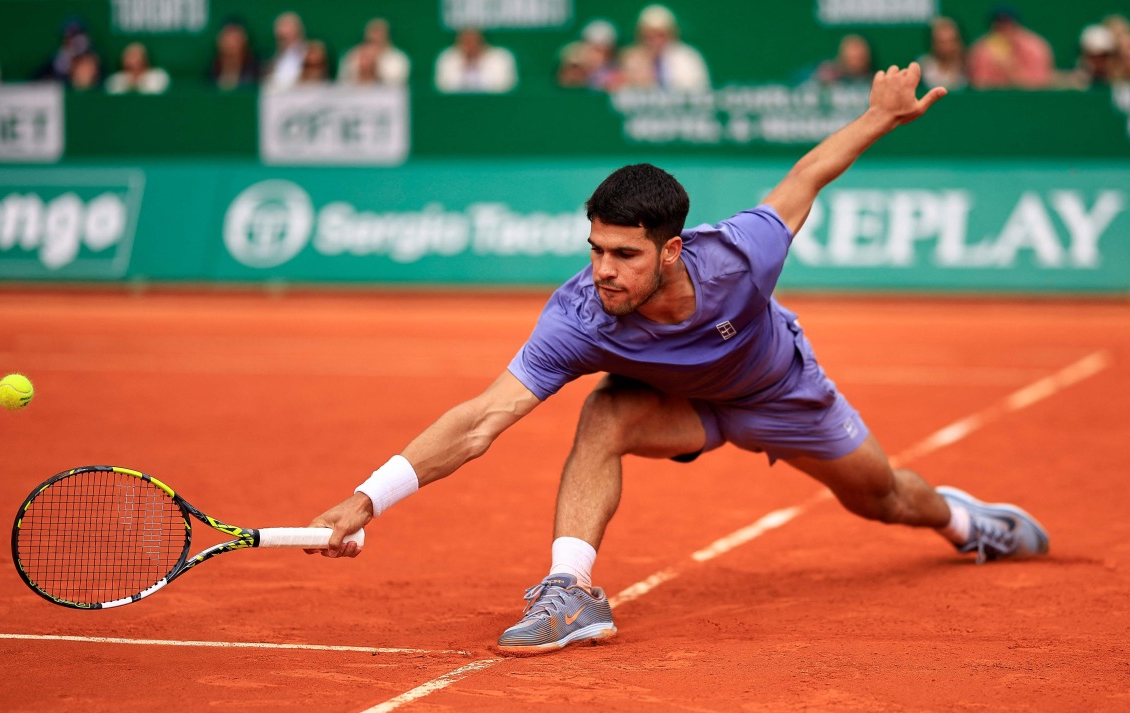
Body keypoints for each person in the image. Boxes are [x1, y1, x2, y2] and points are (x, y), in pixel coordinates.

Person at [305, 62, 1051, 654]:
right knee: (604, 413)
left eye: (624, 255)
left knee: (884, 499)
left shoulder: (739, 256)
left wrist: (881, 115)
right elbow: (482, 418)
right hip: (684, 409)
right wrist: (368, 498)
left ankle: (963, 522)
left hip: (781, 391)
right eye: (594, 249)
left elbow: (807, 175)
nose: (604, 270)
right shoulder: (580, 315)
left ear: (670, 250)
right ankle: (570, 590)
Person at [619, 4, 709, 91]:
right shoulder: (628, 59)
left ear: (672, 33)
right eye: (649, 35)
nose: (655, 40)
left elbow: (699, 92)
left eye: (661, 35)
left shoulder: (688, 57)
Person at [967, 5, 1055, 89]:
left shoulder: (1035, 47)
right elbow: (980, 86)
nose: (1005, 29)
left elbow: (1040, 86)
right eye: (999, 25)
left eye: (1008, 24)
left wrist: (1011, 68)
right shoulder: (981, 50)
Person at [434, 28, 517, 94]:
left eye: (473, 40)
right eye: (466, 41)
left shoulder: (500, 58)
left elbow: (505, 86)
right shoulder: (448, 59)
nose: (470, 45)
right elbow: (442, 87)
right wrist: (464, 66)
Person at [338, 18, 410, 86]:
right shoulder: (352, 55)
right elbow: (343, 81)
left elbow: (396, 83)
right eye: (373, 32)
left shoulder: (397, 58)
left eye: (379, 32)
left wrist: (375, 66)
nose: (376, 36)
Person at [557, 19, 623, 92]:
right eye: (593, 48)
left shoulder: (616, 70)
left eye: (601, 49)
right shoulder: (572, 58)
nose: (595, 54)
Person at [265, 11, 315, 90]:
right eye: (282, 37)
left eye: (290, 34)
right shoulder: (276, 60)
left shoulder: (311, 56)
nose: (287, 39)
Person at [917, 17, 968, 90]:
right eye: (942, 42)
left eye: (951, 41)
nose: (947, 47)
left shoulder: (971, 66)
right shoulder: (922, 68)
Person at [209, 19, 260, 91]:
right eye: (227, 38)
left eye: (235, 39)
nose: (231, 44)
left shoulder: (256, 76)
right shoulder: (210, 75)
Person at [105, 42, 170, 94]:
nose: (133, 61)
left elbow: (156, 93)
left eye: (136, 56)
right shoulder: (115, 80)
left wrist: (138, 83)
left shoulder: (158, 76)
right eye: (129, 56)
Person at [811, 34, 875, 86]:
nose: (854, 63)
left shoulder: (873, 83)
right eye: (851, 58)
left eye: (860, 58)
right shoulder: (827, 79)